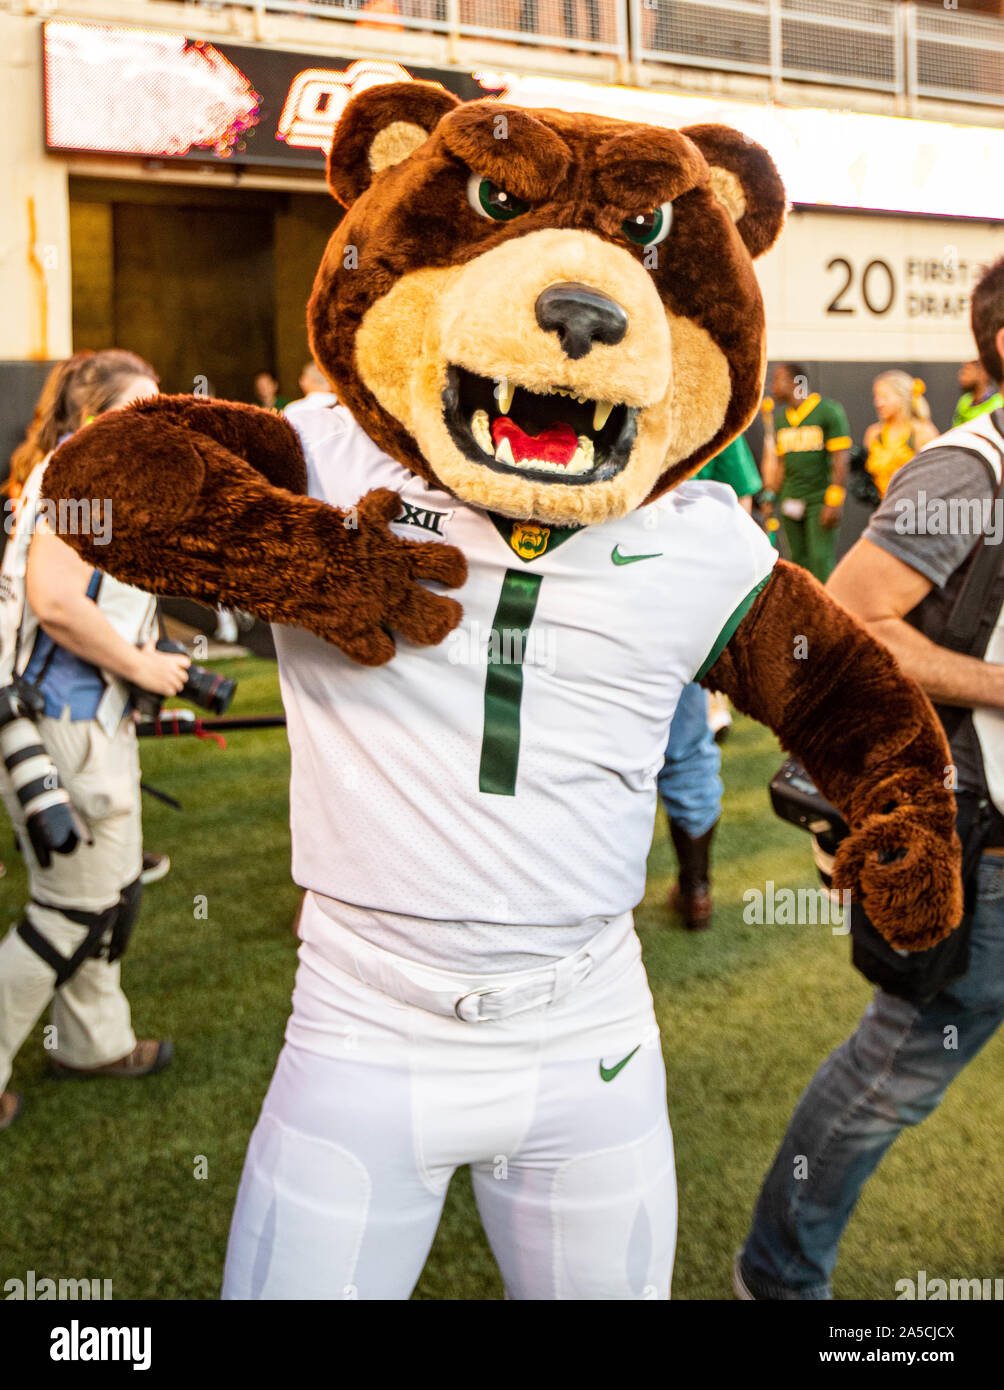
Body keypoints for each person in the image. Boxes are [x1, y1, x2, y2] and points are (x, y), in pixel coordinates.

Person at [735, 255, 1004, 1300]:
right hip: (977, 851)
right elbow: (847, 620)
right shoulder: (965, 473)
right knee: (892, 1075)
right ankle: (776, 1273)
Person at [0, 350, 188, 1133]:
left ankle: (91, 1043)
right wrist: (142, 662)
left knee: (106, 896)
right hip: (64, 726)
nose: (152, 421)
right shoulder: (80, 479)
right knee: (69, 912)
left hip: (77, 720)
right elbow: (56, 602)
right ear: (88, 418)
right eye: (132, 409)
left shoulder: (67, 471)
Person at [658, 434, 762, 930]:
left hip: (583, 586)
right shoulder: (710, 392)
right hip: (676, 594)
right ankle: (696, 890)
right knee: (686, 748)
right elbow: (737, 507)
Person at [762, 364, 851, 584]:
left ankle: (824, 614)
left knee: (819, 558)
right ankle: (802, 613)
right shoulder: (781, 419)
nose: (772, 387)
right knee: (796, 561)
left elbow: (841, 459)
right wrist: (771, 494)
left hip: (818, 499)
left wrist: (835, 500)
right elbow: (781, 464)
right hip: (790, 497)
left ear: (796, 382)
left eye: (777, 380)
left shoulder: (828, 411)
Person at [863, 370, 939, 499]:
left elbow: (935, 475)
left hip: (916, 507)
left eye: (885, 397)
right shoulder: (874, 433)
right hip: (883, 506)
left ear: (902, 397)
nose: (878, 403)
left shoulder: (922, 431)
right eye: (876, 397)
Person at [953, 357, 1003, 427]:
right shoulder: (964, 401)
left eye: (967, 370)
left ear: (983, 373)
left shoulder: (998, 404)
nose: (962, 375)